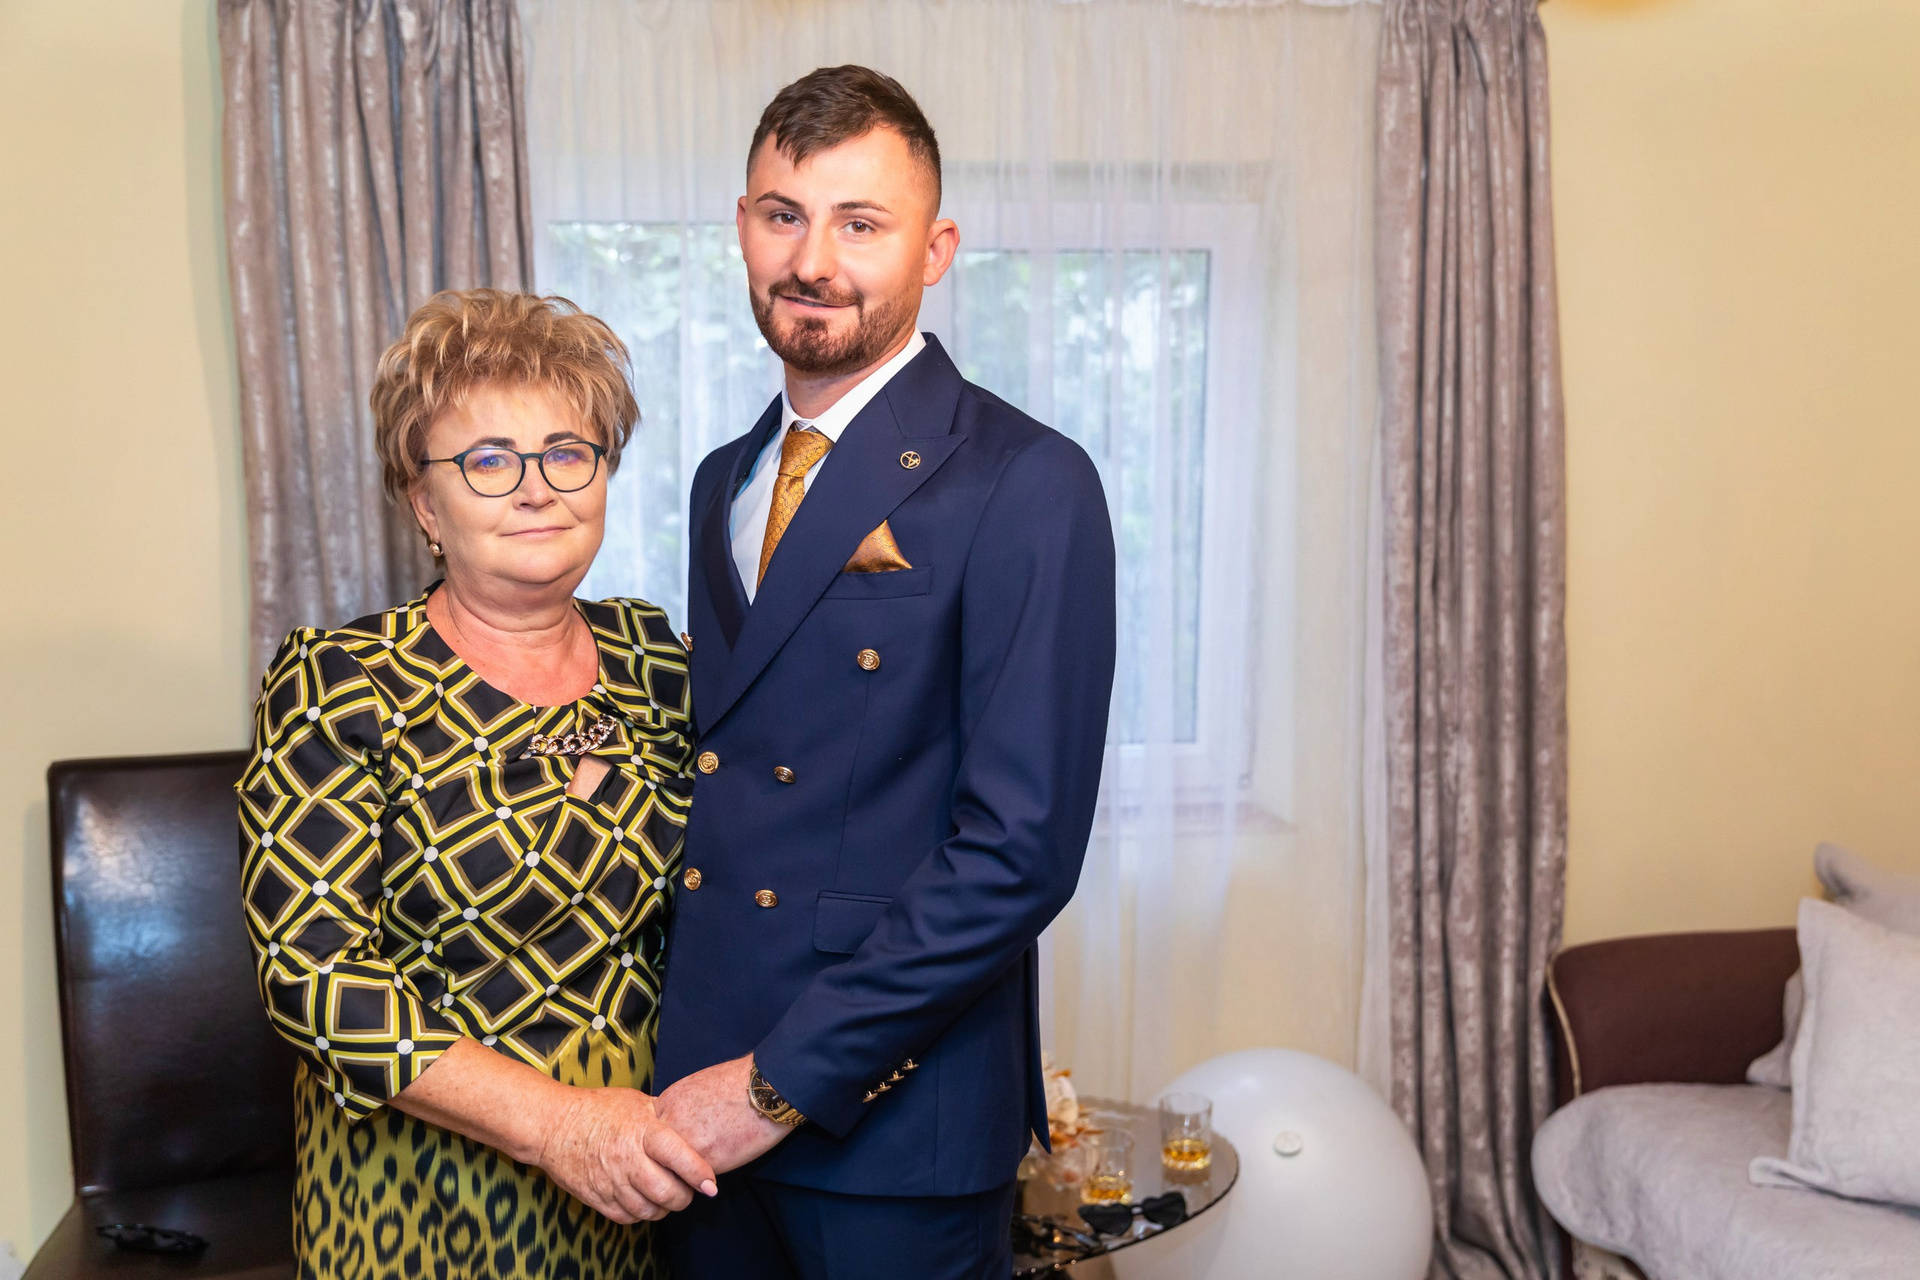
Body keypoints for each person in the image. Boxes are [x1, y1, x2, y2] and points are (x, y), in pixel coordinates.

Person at [652, 66, 1119, 1279]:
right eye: (783, 215)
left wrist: (774, 1085)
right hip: (695, 1108)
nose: (812, 260)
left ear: (936, 248)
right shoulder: (721, 479)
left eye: (860, 223)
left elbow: (1017, 852)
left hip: (891, 1133)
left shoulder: (1028, 478)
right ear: (742, 226)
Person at [237, 289, 716, 1280]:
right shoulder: (341, 682)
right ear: (425, 504)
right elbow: (314, 977)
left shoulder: (659, 661)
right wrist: (560, 1126)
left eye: (567, 452)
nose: (536, 490)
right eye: (490, 461)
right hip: (425, 1204)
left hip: (647, 1187)